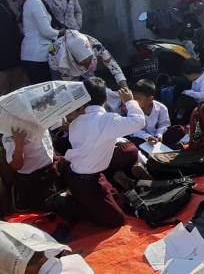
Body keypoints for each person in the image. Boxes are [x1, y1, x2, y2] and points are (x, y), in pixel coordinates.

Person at [60, 78, 146, 228]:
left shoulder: (77, 122)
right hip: (84, 180)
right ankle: (67, 202)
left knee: (117, 199)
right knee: (117, 220)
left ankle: (104, 189)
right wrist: (130, 101)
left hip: (89, 174)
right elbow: (139, 121)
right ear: (105, 98)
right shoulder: (106, 120)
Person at [3, 127, 61, 211]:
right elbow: (17, 165)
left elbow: (47, 145)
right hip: (34, 180)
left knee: (57, 205)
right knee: (43, 211)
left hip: (51, 171)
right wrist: (19, 143)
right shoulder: (10, 135)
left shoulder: (40, 123)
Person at [21, 0, 64, 84]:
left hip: (33, 54)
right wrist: (60, 32)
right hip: (38, 55)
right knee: (44, 91)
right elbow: (46, 31)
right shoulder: (35, 2)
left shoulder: (32, 1)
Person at [48, 30, 127, 88]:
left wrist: (123, 84)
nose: (87, 65)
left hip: (83, 67)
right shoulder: (60, 58)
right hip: (61, 69)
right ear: (73, 59)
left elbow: (112, 65)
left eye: (90, 59)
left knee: (95, 87)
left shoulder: (95, 45)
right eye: (84, 63)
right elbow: (70, 85)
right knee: (64, 92)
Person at [126, 79, 170, 146]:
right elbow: (132, 130)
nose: (134, 101)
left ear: (150, 99)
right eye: (133, 98)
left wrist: (159, 135)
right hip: (139, 138)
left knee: (178, 130)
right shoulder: (131, 108)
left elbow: (164, 124)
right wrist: (147, 137)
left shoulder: (161, 108)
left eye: (138, 98)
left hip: (155, 137)